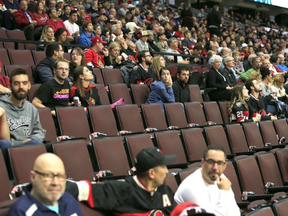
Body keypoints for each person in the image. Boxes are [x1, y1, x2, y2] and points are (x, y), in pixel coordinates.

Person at [67, 147, 177, 215]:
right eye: (164, 167)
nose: (167, 171)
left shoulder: (164, 190)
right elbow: (80, 188)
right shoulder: (121, 190)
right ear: (152, 173)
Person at [7, 153, 84, 216]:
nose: (55, 183)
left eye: (60, 176)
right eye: (48, 175)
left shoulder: (69, 200)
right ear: (33, 177)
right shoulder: (20, 212)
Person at [174, 145, 240, 216]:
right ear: (202, 162)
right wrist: (224, 192)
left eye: (220, 163)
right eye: (211, 162)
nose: (215, 167)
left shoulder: (221, 178)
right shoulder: (190, 187)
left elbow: (233, 211)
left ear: (225, 166)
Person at [0, 69, 45, 154]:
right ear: (9, 86)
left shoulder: (31, 108)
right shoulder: (1, 107)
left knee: (37, 143)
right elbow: (3, 141)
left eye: (24, 83)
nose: (21, 87)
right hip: (8, 149)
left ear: (29, 85)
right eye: (16, 83)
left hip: (29, 147)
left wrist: (32, 139)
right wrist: (21, 143)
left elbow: (39, 131)